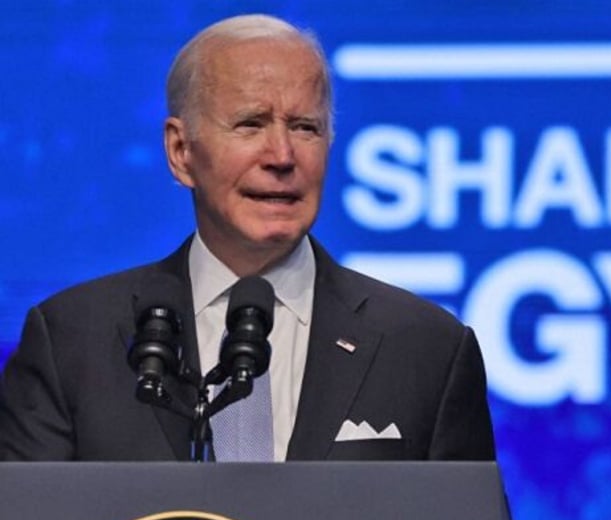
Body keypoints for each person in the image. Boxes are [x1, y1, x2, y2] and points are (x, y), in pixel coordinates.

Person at [0, 14, 495, 462]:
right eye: (250, 124)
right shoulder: (71, 342)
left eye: (305, 127)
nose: (281, 154)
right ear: (180, 151)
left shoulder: (427, 350)